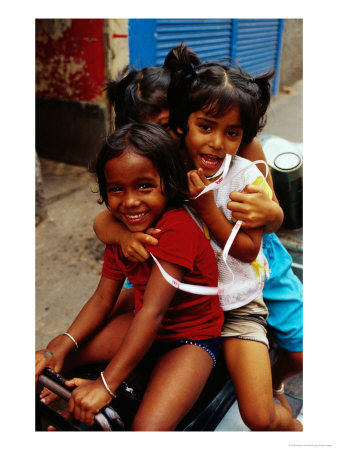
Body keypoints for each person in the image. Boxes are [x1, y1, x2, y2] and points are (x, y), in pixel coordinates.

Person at [93, 48, 303, 414]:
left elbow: (262, 224)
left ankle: (275, 383)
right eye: (145, 132)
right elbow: (104, 220)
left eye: (164, 126)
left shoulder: (238, 154)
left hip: (251, 269)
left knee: (299, 354)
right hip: (184, 269)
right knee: (126, 313)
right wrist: (125, 236)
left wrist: (273, 213)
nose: (159, 141)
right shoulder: (163, 167)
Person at [35, 122, 224, 431]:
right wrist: (61, 345)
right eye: (116, 189)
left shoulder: (176, 229)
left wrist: (104, 385)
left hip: (190, 339)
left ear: (169, 182)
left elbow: (153, 312)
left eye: (144, 186)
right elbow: (101, 299)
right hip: (140, 322)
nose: (130, 201)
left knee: (147, 429)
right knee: (47, 364)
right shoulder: (120, 231)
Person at [163, 44, 302, 431]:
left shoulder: (243, 179)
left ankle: (293, 429)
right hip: (182, 305)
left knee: (258, 416)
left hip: (237, 308)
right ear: (181, 124)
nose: (217, 143)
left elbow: (248, 249)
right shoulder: (167, 166)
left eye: (232, 133)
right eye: (206, 126)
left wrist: (208, 209)